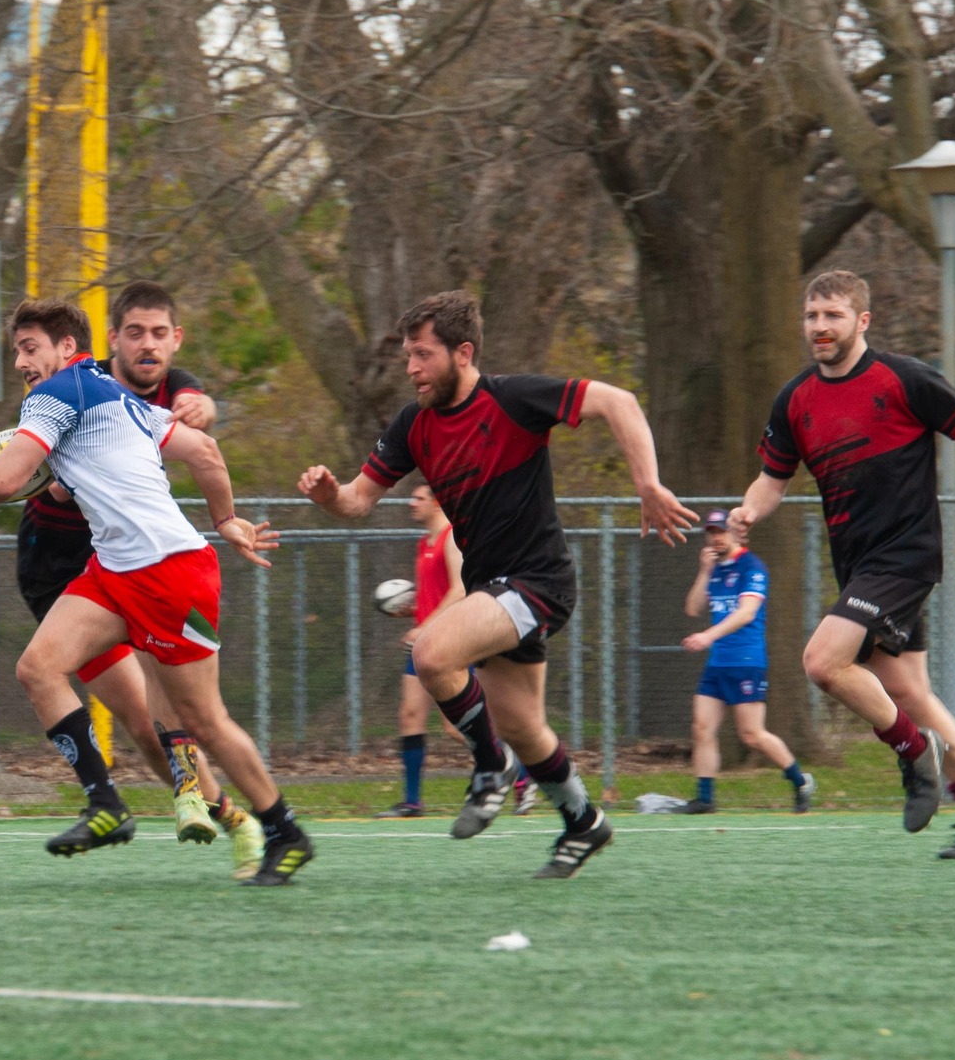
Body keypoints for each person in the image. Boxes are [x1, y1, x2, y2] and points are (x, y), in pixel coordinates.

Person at [298, 290, 697, 879]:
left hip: (538, 581)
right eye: (408, 355)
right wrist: (330, 494)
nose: (411, 369)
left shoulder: (513, 398)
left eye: (422, 355)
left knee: (432, 653)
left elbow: (619, 401)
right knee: (522, 725)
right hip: (495, 589)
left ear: (463, 353)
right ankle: (584, 822)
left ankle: (489, 767)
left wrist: (648, 485)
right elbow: (358, 500)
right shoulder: (414, 424)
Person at [0, 297, 317, 886]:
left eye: (29, 347)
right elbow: (204, 451)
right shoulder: (113, 393)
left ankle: (284, 830)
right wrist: (224, 520)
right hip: (116, 569)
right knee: (39, 668)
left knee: (205, 721)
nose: (20, 361)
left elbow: (6, 479)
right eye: (16, 349)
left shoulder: (54, 395)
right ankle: (106, 806)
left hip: (171, 573)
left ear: (67, 347)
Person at [735, 269, 955, 858]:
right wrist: (746, 513)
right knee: (908, 689)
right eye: (812, 316)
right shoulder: (795, 399)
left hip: (905, 557)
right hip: (859, 566)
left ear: (862, 321)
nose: (820, 327)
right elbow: (772, 481)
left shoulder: (904, 378)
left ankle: (915, 753)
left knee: (822, 661)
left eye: (832, 315)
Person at [11, 279, 264, 877]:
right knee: (142, 724)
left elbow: (196, 429)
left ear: (175, 341)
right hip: (70, 576)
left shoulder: (170, 393)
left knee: (177, 715)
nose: (147, 345)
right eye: (134, 333)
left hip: (144, 569)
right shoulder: (73, 383)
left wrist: (209, 413)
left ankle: (231, 814)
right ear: (109, 344)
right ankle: (230, 816)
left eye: (159, 334)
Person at [679, 510, 813, 814]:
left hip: (747, 661)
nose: (716, 537)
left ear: (734, 533)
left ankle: (800, 780)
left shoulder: (752, 567)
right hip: (718, 664)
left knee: (752, 735)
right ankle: (705, 798)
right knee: (701, 727)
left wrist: (708, 636)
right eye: (711, 532)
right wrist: (703, 571)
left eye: (721, 531)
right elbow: (692, 607)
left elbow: (746, 613)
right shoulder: (713, 569)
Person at [383, 482, 474, 818]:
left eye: (418, 498)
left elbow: (461, 590)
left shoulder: (452, 536)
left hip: (450, 640)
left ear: (437, 503)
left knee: (454, 725)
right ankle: (411, 802)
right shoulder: (424, 543)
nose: (412, 503)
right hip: (424, 642)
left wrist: (425, 625)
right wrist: (412, 613)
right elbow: (434, 595)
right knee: (409, 716)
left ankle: (516, 767)